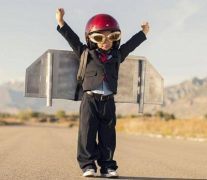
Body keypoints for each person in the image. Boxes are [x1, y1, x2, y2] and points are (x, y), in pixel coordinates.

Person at [55, 8, 149, 178]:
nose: (105, 41)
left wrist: (143, 33)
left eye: (111, 37)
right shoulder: (85, 53)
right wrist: (61, 22)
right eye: (99, 37)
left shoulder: (117, 55)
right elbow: (72, 39)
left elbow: (130, 45)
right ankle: (88, 165)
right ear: (91, 39)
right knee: (87, 133)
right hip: (90, 99)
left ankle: (107, 166)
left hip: (108, 100)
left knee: (108, 135)